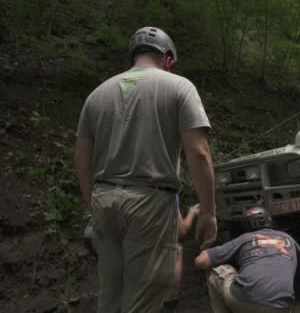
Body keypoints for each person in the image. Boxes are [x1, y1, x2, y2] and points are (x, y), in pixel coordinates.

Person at [75, 26, 217, 312]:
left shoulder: (97, 95)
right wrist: (209, 212)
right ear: (167, 58)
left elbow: (81, 158)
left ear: (133, 56)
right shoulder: (179, 86)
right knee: (145, 295)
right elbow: (198, 153)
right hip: (149, 204)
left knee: (111, 295)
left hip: (103, 201)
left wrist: (92, 201)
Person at [195, 207, 300, 312]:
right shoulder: (287, 238)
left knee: (217, 271)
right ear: (270, 222)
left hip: (244, 301)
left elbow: (201, 261)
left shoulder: (245, 238)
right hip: (282, 307)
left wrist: (207, 246)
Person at [162, 195, 201, 312]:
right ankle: (169, 303)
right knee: (177, 247)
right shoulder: (166, 188)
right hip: (164, 247)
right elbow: (181, 230)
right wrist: (192, 212)